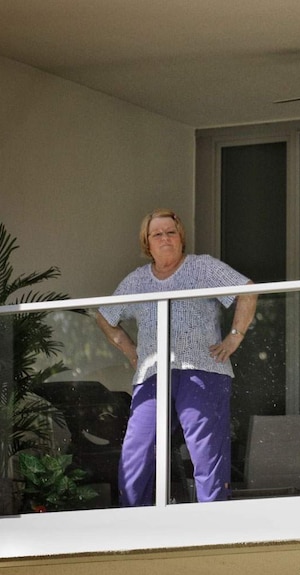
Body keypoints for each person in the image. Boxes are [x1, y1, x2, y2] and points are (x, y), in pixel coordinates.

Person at [96, 208, 257, 506]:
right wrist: (131, 351)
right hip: (153, 375)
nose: (165, 238)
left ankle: (212, 526)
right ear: (147, 243)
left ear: (181, 237)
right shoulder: (137, 280)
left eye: (170, 232)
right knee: (137, 452)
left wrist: (234, 337)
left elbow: (247, 290)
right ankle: (133, 526)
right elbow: (106, 316)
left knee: (206, 453)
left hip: (203, 370)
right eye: (157, 234)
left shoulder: (202, 268)